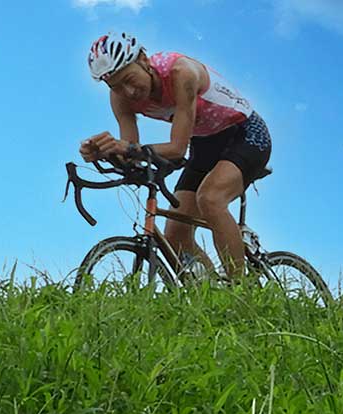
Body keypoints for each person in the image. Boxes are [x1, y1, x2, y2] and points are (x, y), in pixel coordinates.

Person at [77, 32, 271, 281]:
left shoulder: (181, 73)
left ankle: (242, 293)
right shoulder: (120, 98)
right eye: (116, 86)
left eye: (129, 79)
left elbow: (177, 149)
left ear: (144, 60)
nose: (129, 91)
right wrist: (103, 152)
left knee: (210, 199)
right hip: (205, 143)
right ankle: (213, 296)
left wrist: (125, 148)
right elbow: (132, 152)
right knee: (176, 234)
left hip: (245, 133)